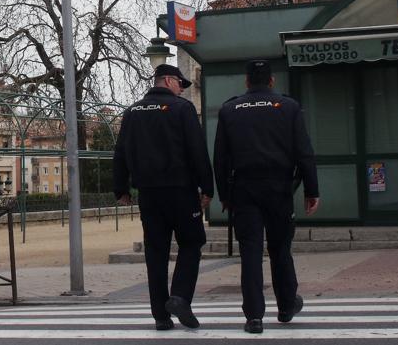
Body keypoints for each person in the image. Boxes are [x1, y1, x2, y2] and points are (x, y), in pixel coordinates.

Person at [213, 60, 319, 334]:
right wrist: (311, 190)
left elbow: (221, 159)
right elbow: (304, 152)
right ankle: (286, 306)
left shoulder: (229, 109)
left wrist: (224, 195)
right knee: (280, 247)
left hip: (244, 189)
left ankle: (254, 317)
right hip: (279, 187)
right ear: (272, 81)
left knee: (250, 252)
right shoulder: (289, 107)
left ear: (246, 82)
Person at [113, 64, 214, 331]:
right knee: (192, 242)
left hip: (148, 193)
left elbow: (121, 151)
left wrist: (120, 188)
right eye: (181, 84)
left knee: (155, 252)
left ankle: (160, 315)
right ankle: (180, 297)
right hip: (180, 191)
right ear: (168, 80)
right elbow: (197, 149)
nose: (182, 89)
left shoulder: (132, 111)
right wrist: (208, 187)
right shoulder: (183, 109)